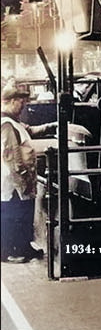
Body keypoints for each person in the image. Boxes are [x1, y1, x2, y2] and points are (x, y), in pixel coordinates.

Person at [1, 86, 57, 263]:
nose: (23, 105)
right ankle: (11, 251)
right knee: (13, 216)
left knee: (22, 214)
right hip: (13, 181)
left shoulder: (13, 122)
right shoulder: (6, 124)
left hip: (17, 179)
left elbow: (29, 131)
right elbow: (11, 155)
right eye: (20, 101)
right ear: (8, 102)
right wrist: (23, 178)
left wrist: (52, 126)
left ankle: (24, 246)